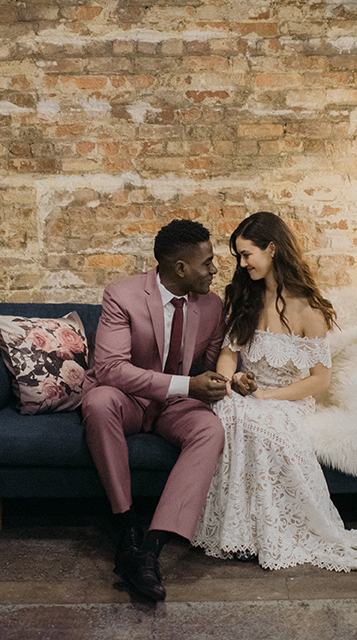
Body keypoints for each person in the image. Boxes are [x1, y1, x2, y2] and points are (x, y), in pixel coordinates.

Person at [193, 211, 357, 580]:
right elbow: (228, 352)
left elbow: (319, 380)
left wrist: (270, 397)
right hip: (247, 395)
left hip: (290, 400)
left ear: (272, 249)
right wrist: (229, 381)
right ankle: (239, 532)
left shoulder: (308, 308)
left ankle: (269, 533)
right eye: (238, 255)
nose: (242, 263)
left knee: (257, 422)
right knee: (230, 414)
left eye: (247, 254)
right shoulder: (242, 298)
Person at [82, 219, 228, 601]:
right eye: (208, 262)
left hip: (177, 407)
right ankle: (127, 525)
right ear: (180, 268)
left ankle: (148, 550)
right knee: (97, 401)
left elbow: (207, 369)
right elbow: (111, 369)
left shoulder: (213, 306)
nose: (214, 269)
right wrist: (187, 385)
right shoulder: (122, 294)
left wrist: (224, 381)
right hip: (129, 400)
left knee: (211, 430)